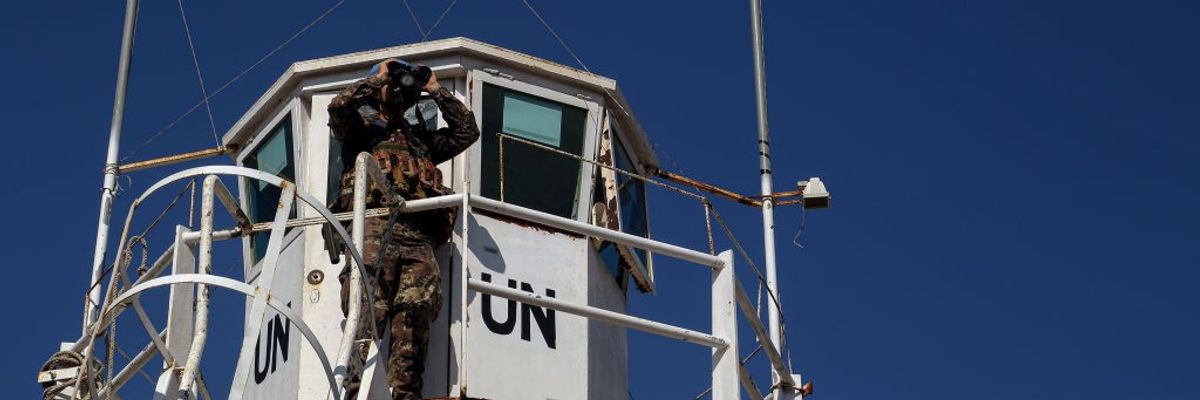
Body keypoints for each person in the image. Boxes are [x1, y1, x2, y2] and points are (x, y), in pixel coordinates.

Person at [328, 58, 479, 400]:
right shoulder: (359, 133)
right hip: (371, 235)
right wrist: (377, 78)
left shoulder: (421, 142)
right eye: (390, 85)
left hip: (417, 242)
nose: (395, 89)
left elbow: (467, 132)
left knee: (414, 319)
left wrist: (436, 90)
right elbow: (338, 106)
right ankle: (349, 394)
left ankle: (405, 396)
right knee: (366, 318)